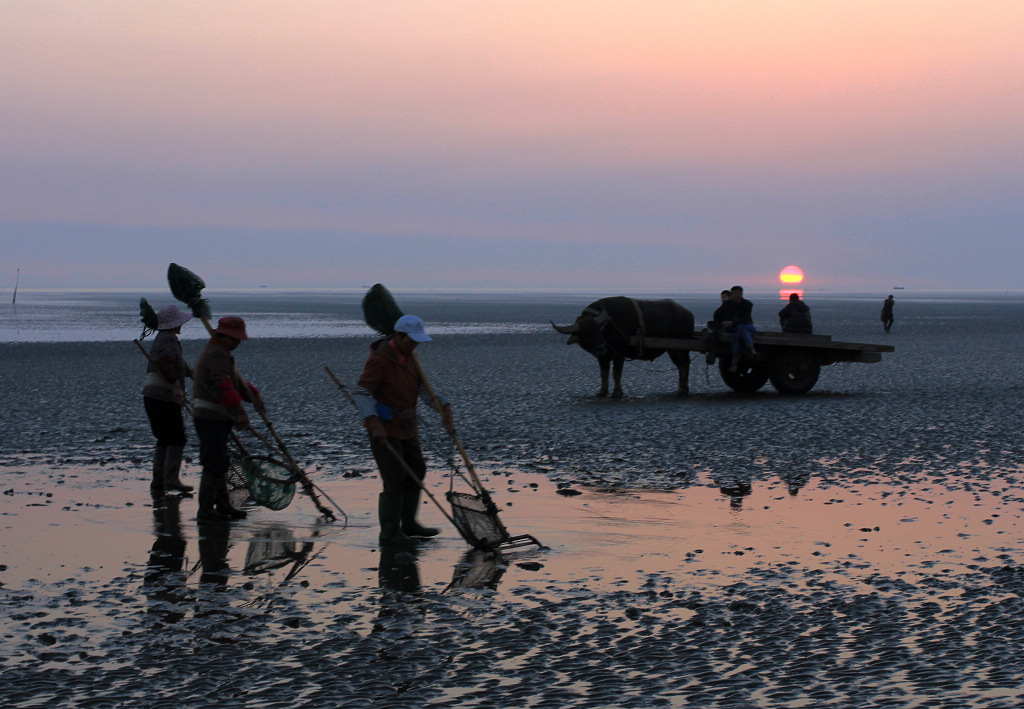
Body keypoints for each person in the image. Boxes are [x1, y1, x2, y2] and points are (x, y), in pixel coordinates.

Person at [352, 314, 455, 545]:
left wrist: (444, 406)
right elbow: (361, 393)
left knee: (416, 470)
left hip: (407, 426)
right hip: (384, 429)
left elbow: (425, 391)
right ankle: (389, 533)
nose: (415, 345)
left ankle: (408, 523)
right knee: (394, 478)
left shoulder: (411, 359)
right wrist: (373, 422)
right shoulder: (379, 360)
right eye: (411, 340)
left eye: (418, 341)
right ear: (398, 336)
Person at [191, 316, 264, 522]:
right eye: (236, 339)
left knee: (220, 462)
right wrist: (240, 412)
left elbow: (236, 381)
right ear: (226, 336)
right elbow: (224, 387)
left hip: (217, 417)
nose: (239, 343)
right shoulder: (216, 354)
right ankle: (205, 511)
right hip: (209, 417)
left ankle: (223, 506)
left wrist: (254, 395)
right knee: (213, 463)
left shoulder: (221, 353)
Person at [143, 304, 194, 496]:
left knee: (164, 439)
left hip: (152, 397)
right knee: (177, 438)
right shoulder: (168, 338)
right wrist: (176, 387)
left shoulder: (164, 338)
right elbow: (164, 363)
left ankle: (158, 483)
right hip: (162, 397)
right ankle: (171, 479)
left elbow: (175, 361)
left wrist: (190, 373)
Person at [720, 285, 756, 372]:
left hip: (746, 327)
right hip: (733, 328)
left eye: (739, 294)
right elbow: (722, 317)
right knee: (739, 330)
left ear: (742, 294)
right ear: (732, 295)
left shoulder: (748, 304)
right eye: (735, 294)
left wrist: (732, 322)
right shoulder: (727, 304)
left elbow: (746, 319)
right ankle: (751, 349)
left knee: (737, 333)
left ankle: (734, 363)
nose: (737, 296)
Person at [704, 290, 732, 364]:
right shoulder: (721, 309)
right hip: (720, 326)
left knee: (714, 333)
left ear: (729, 298)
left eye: (724, 297)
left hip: (729, 327)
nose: (723, 299)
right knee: (710, 324)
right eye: (722, 298)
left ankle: (712, 352)